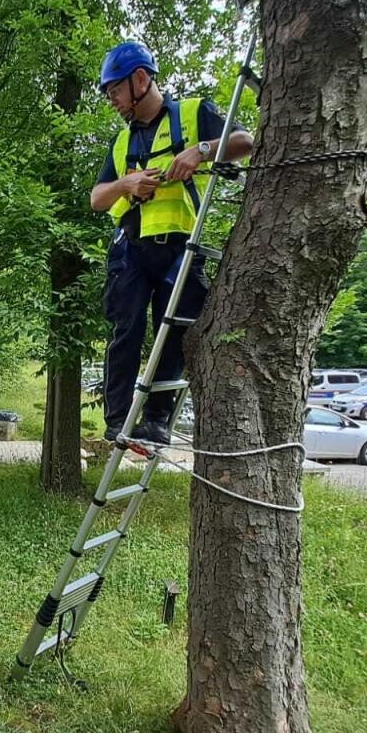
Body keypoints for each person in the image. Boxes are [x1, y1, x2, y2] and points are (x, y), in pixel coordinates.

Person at [90, 40, 254, 443]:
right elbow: (97, 198)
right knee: (125, 331)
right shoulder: (122, 141)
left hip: (180, 247)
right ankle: (118, 421)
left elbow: (245, 142)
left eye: (115, 91)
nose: (112, 100)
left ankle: (157, 421)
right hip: (130, 248)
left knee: (177, 331)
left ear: (140, 79)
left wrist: (201, 151)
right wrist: (128, 183)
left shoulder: (194, 113)